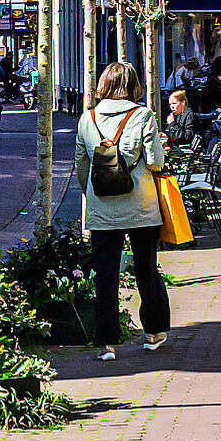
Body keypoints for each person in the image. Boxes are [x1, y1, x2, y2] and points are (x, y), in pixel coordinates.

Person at [76, 63, 172, 359]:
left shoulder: (88, 118)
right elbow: (155, 162)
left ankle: (106, 342)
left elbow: (81, 164)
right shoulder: (143, 115)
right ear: (134, 86)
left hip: (101, 206)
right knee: (146, 268)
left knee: (105, 274)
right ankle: (153, 332)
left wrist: (92, 193)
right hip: (140, 205)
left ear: (103, 85)